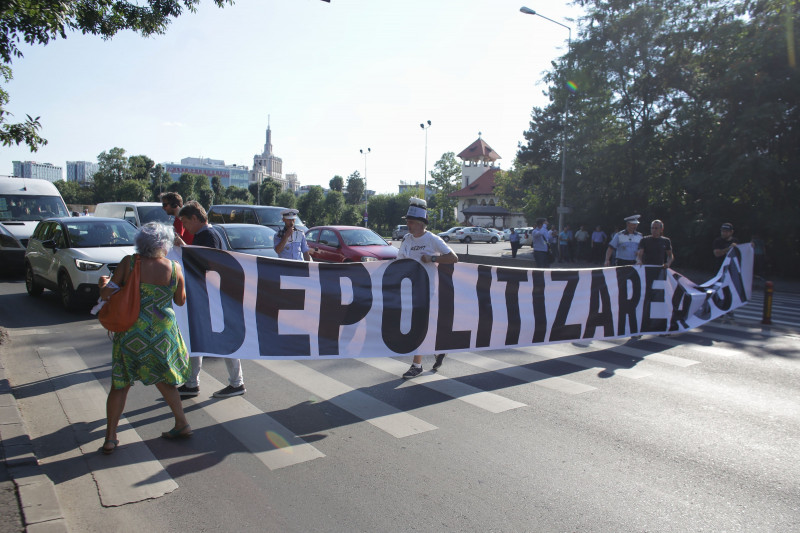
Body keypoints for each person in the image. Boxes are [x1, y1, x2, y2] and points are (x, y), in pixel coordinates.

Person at [98, 222, 192, 454]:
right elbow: (180, 301)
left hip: (131, 331)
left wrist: (102, 283)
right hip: (162, 333)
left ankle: (110, 437)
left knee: (120, 383)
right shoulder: (174, 267)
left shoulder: (129, 263)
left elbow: (107, 293)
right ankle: (182, 423)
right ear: (165, 243)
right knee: (164, 379)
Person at [177, 201, 246, 398]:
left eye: (186, 222)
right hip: (210, 295)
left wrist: (183, 247)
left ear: (195, 218)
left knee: (217, 339)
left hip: (210, 296)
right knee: (196, 337)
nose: (185, 227)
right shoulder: (210, 234)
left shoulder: (206, 236)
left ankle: (235, 382)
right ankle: (193, 382)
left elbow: (206, 264)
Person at [396, 198, 459, 379]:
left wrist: (432, 259)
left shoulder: (432, 239)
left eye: (411, 222)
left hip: (426, 291)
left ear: (421, 223)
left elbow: (453, 257)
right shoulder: (407, 239)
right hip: (409, 290)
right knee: (417, 327)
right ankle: (439, 348)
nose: (408, 225)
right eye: (407, 222)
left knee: (418, 328)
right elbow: (399, 262)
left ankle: (417, 365)